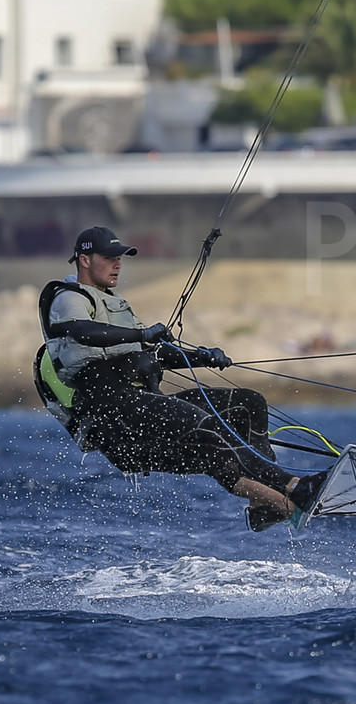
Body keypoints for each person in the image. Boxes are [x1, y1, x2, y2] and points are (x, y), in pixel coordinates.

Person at [33, 226, 325, 530]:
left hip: (143, 402)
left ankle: (269, 503)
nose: (118, 264)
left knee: (247, 404)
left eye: (120, 258)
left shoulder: (116, 305)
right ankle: (293, 486)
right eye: (109, 258)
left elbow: (153, 354)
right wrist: (142, 333)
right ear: (84, 260)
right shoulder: (68, 297)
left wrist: (201, 356)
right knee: (210, 432)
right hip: (113, 414)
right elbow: (80, 330)